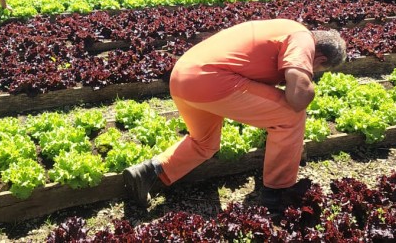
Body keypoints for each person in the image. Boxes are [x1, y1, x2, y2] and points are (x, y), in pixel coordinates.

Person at [123, 19, 347, 212]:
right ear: (321, 60)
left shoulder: (284, 28)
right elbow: (298, 96)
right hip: (212, 79)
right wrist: (309, 89)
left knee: (204, 143)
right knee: (290, 115)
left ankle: (148, 172)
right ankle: (277, 194)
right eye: (317, 71)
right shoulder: (303, 38)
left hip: (183, 76)